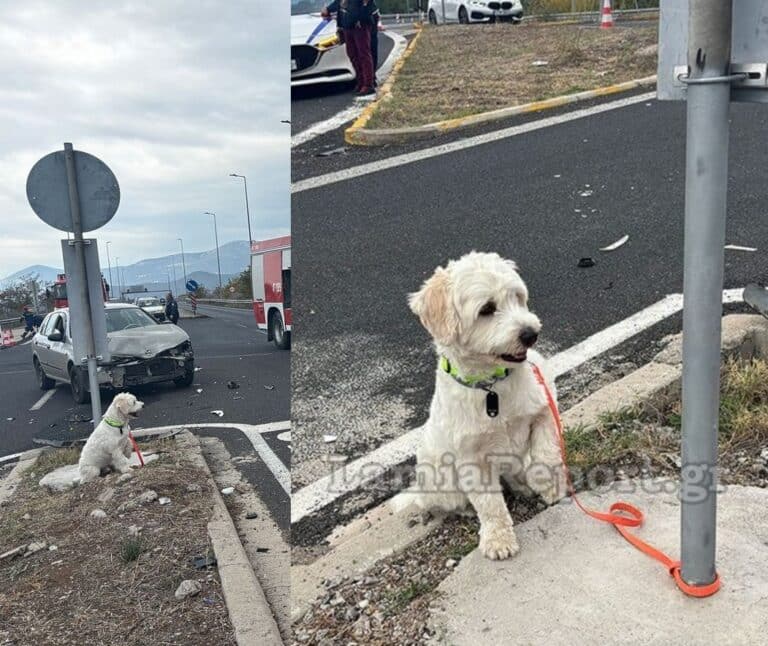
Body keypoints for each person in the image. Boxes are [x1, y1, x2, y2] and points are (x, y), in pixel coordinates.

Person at [322, 0, 376, 97]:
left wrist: (361, 18)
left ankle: (368, 84)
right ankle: (360, 81)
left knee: (363, 54)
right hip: (347, 24)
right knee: (352, 54)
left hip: (360, 24)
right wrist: (328, 9)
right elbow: (339, 3)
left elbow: (367, 3)